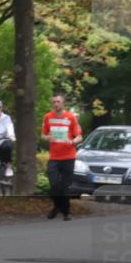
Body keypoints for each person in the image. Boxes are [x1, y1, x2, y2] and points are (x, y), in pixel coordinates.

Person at [41, 93, 82, 221]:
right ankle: (58, 207)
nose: (56, 104)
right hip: (54, 157)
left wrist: (73, 141)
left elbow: (79, 137)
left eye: (58, 102)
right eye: (54, 102)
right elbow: (43, 135)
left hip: (69, 156)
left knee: (65, 187)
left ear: (63, 103)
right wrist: (48, 137)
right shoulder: (48, 117)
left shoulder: (71, 117)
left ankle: (66, 213)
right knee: (54, 185)